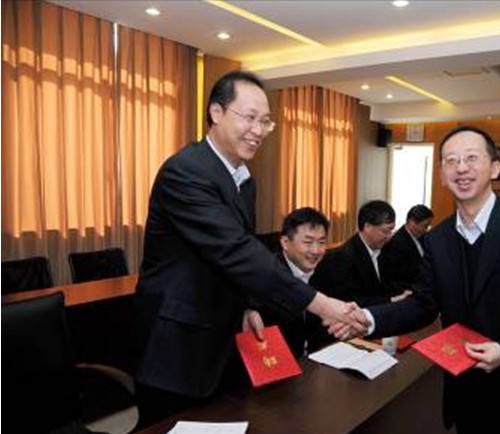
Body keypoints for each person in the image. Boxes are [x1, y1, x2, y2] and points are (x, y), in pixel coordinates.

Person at [132, 70, 360, 428]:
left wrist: (248, 305)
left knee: (226, 420)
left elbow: (242, 249)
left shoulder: (242, 179)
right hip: (177, 343)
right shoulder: (186, 171)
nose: (258, 130)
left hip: (222, 334)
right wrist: (322, 304)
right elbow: (235, 251)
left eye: (265, 121)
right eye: (249, 118)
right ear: (216, 112)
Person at [334, 126, 500, 434]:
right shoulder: (437, 239)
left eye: (471, 158)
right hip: (467, 388)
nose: (461, 168)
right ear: (442, 174)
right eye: (451, 160)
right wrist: (369, 318)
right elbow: (423, 304)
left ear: (495, 168)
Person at [245, 207, 332, 357]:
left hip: (315, 359)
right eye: (308, 242)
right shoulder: (266, 274)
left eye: (321, 242)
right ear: (285, 242)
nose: (316, 250)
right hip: (278, 360)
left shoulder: (327, 269)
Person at [314, 200, 411, 307]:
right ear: (367, 226)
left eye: (391, 230)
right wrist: (392, 300)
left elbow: (387, 283)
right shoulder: (343, 257)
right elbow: (351, 301)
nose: (388, 237)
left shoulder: (385, 249)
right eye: (385, 231)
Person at [380, 204, 434, 289]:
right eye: (425, 226)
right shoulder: (396, 243)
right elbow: (396, 276)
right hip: (409, 289)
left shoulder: (424, 237)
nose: (426, 229)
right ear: (412, 222)